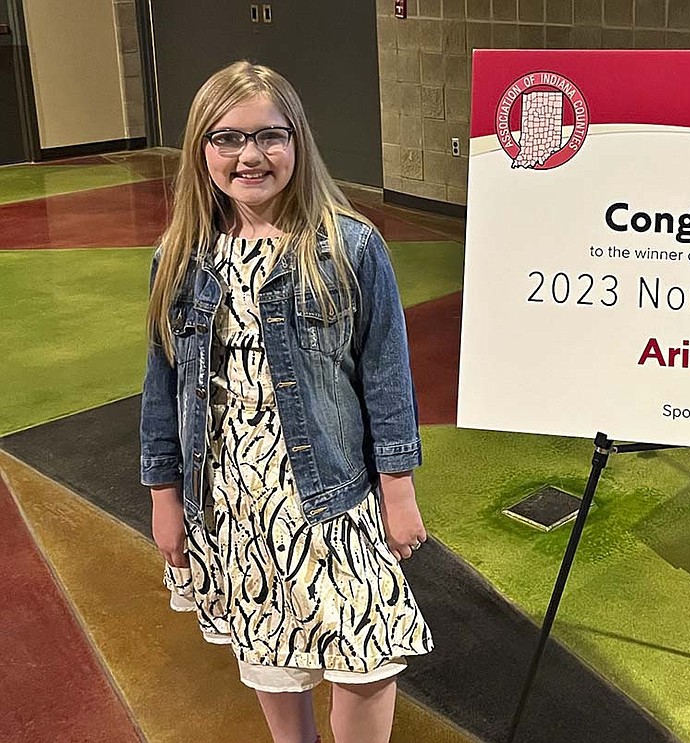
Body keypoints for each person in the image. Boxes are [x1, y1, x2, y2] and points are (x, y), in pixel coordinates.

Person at [140, 60, 433, 743]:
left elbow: (387, 376)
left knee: (366, 657)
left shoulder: (348, 247)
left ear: (298, 142)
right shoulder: (179, 256)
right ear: (201, 150)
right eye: (227, 139)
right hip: (232, 497)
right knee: (272, 653)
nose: (250, 156)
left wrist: (399, 489)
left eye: (270, 135)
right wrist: (164, 496)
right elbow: (163, 383)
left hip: (330, 494)